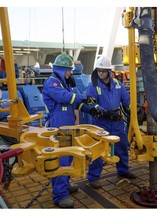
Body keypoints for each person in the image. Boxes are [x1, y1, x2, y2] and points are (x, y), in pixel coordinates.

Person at [42, 53, 96, 208]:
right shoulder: (52, 83)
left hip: (67, 126)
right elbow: (66, 98)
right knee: (61, 159)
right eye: (68, 71)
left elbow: (74, 102)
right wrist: (82, 97)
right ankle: (59, 195)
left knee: (68, 157)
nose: (70, 73)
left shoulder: (63, 83)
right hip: (58, 126)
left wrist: (91, 108)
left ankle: (64, 185)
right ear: (60, 70)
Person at [85, 56, 136, 189]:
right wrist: (105, 112)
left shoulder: (118, 85)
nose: (101, 73)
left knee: (122, 146)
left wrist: (132, 110)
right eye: (99, 71)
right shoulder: (93, 86)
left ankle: (123, 171)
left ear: (109, 71)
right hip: (100, 123)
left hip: (117, 122)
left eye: (103, 70)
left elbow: (126, 100)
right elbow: (91, 104)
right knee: (97, 151)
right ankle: (93, 178)